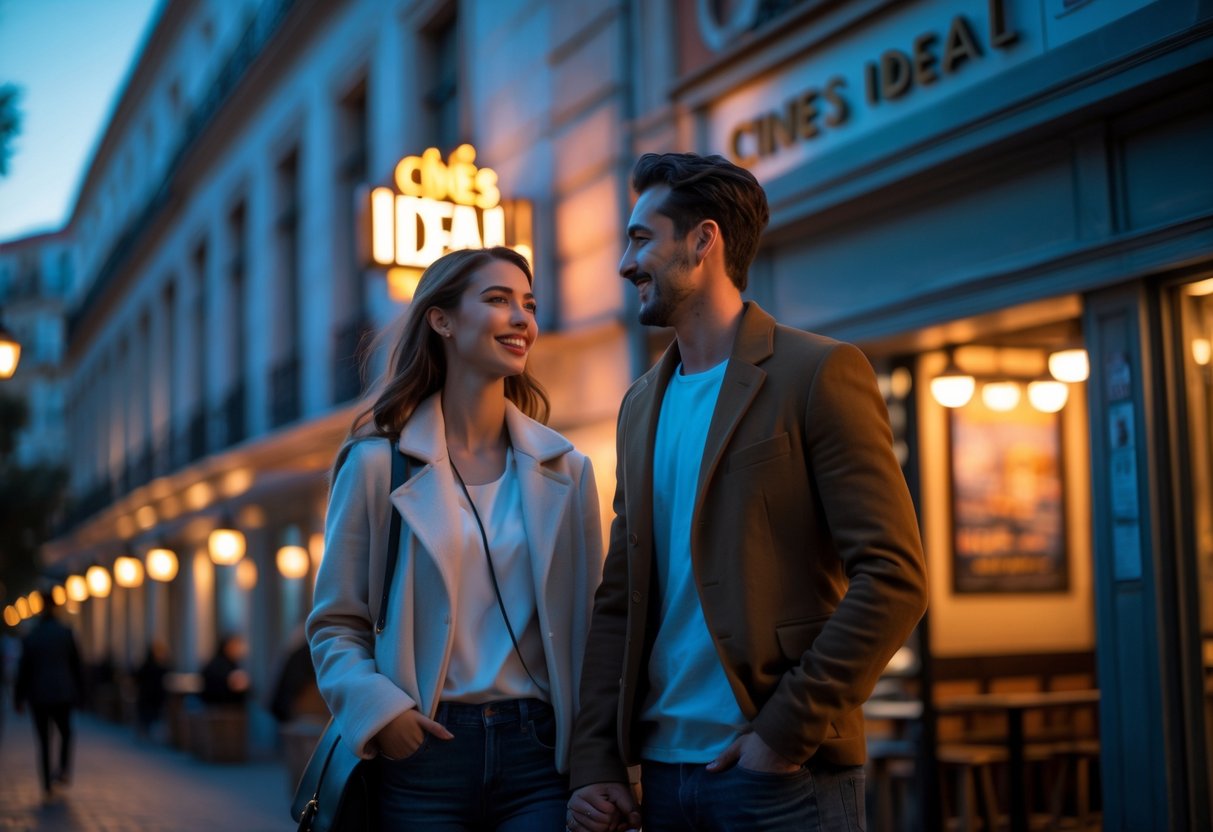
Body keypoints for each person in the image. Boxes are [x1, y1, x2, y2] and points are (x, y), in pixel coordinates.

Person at [567, 153, 929, 832]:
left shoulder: (816, 372)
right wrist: (594, 761)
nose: (624, 263)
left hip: (778, 776)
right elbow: (619, 597)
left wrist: (782, 735)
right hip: (661, 779)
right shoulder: (638, 404)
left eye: (641, 239)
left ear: (704, 240)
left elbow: (894, 576)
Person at [308, 246, 604, 830]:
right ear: (441, 320)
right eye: (497, 300)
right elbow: (335, 623)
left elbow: (593, 628)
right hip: (424, 751)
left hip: (540, 753)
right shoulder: (377, 466)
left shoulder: (568, 472)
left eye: (529, 304)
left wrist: (605, 763)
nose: (522, 318)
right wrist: (379, 713)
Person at [14, 602, 85, 799]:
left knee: (44, 740)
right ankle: (62, 769)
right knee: (66, 733)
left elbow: (23, 669)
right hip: (62, 693)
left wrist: (18, 698)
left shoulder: (32, 636)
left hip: (38, 695)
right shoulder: (65, 633)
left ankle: (46, 783)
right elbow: (77, 665)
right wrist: (81, 694)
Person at [134, 638, 170, 738]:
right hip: (151, 697)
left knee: (148, 714)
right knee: (150, 713)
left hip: (149, 696)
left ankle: (147, 732)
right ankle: (148, 732)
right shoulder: (156, 666)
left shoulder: (148, 664)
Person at [199, 633, 250, 706]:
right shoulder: (217, 665)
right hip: (220, 709)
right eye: (236, 646)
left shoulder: (233, 664)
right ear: (227, 646)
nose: (239, 650)